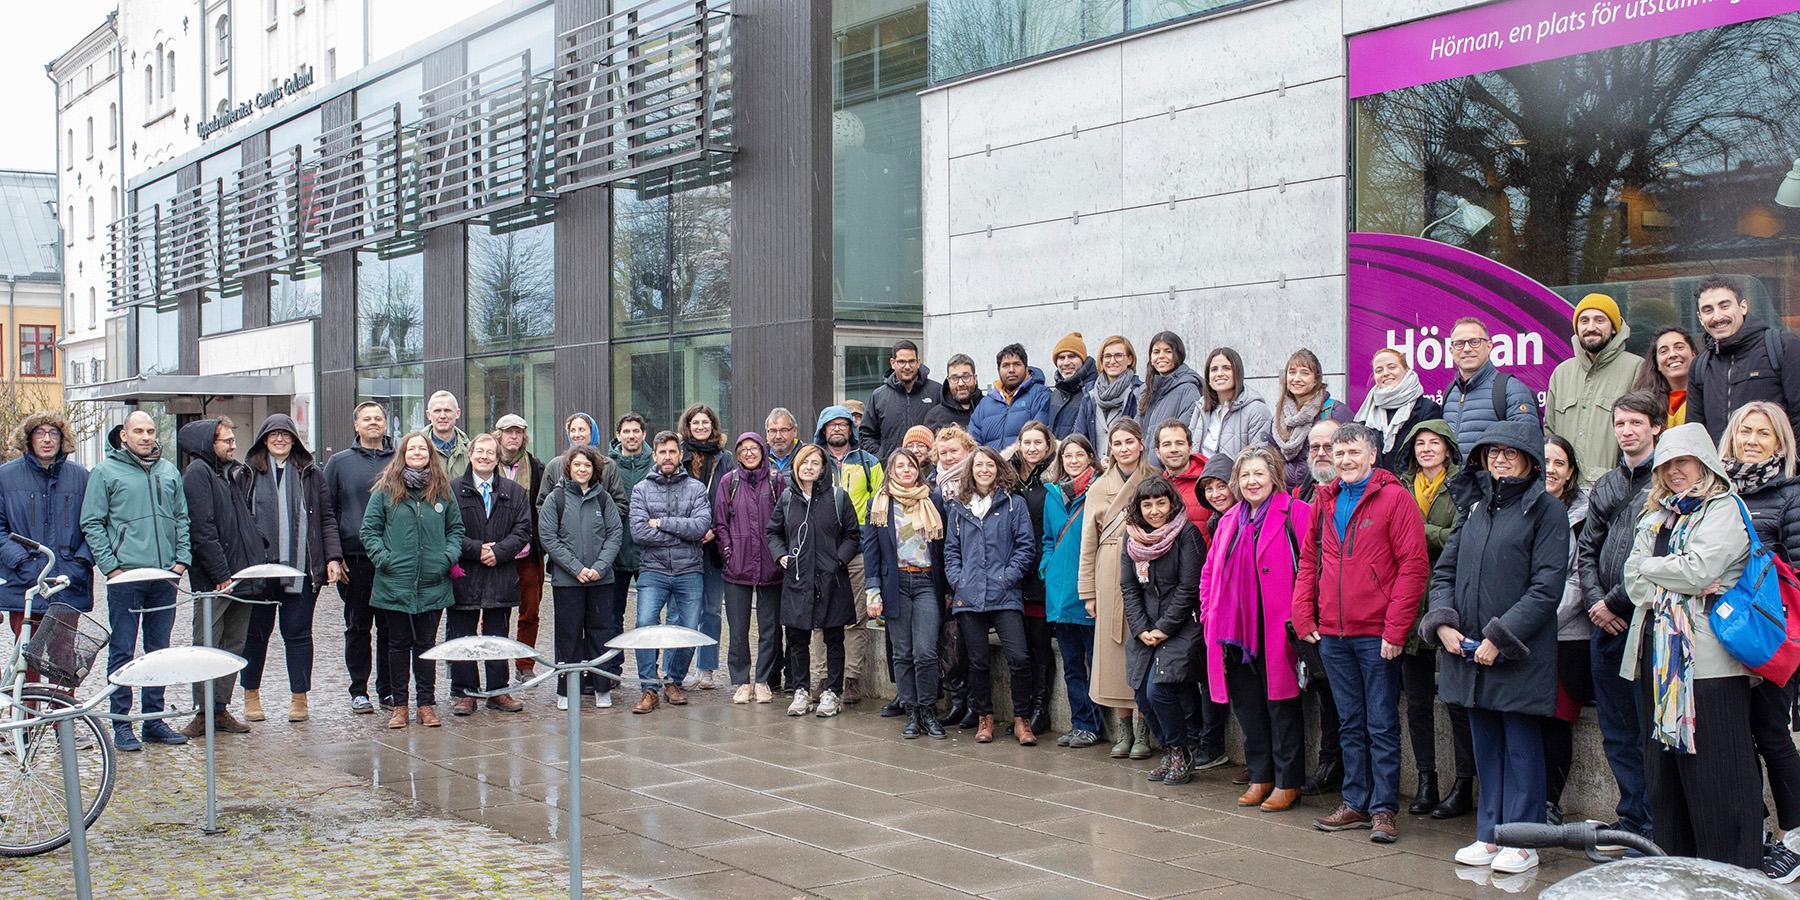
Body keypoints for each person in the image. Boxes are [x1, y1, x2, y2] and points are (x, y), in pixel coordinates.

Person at [1420, 420, 1566, 874]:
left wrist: (1498, 639)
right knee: (1485, 746)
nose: (1500, 460)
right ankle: (1490, 833)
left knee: (1522, 745)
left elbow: (1546, 588)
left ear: (1528, 460)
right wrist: (1443, 625)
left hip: (1516, 655)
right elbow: (1443, 574)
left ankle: (1524, 840)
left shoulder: (1546, 512)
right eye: (1492, 452)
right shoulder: (1476, 508)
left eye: (1510, 452)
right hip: (1467, 653)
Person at [1621, 422, 1760, 868]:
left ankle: (1730, 872)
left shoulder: (1726, 510)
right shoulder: (1657, 513)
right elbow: (1631, 580)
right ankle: (1676, 869)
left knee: (1718, 780)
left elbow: (1700, 569)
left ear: (1704, 462)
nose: (1675, 471)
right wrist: (1676, 576)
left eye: (1683, 461)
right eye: (1667, 464)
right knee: (1666, 782)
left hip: (1711, 669)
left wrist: (1659, 570)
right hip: (1659, 666)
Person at [1293, 423, 1430, 844]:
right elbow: (1309, 560)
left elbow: (1413, 567)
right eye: (1340, 454)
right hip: (1333, 634)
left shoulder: (1395, 499)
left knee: (1382, 723)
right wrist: (1303, 614)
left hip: (1377, 635)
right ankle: (1355, 801)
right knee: (1350, 722)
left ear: (1373, 455)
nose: (1346, 461)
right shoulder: (1325, 499)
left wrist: (1395, 629)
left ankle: (1384, 809)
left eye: (1354, 452)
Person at [1714, 401, 1800, 880]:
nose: (1751, 440)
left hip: (1770, 637)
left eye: (1763, 434)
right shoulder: (1720, 492)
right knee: (1737, 737)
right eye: (1744, 430)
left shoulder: (1790, 494)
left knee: (1771, 733)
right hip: (1724, 638)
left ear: (1780, 443)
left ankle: (1795, 833)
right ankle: (1756, 830)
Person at [1576, 389, 1665, 841]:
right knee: (1616, 731)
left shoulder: (1666, 480)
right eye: (1620, 424)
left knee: (1648, 731)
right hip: (1603, 625)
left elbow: (1656, 557)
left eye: (1635, 423)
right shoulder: (1608, 483)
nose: (1626, 431)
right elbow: (1587, 548)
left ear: (1655, 427)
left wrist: (1615, 602)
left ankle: (1655, 824)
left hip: (1645, 623)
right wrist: (1596, 603)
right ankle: (1631, 818)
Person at [1200, 447, 1309, 810]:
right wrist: (1209, 611)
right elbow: (1210, 571)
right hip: (1235, 631)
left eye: (1259, 474)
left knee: (1282, 707)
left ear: (1274, 476)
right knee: (1248, 707)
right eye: (1245, 476)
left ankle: (1288, 781)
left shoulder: (1296, 512)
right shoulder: (1229, 520)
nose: (1252, 482)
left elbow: (1311, 568)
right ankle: (1260, 775)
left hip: (1278, 628)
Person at [83, 411, 192, 751]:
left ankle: (153, 721)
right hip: (126, 577)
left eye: (150, 431)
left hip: (164, 576)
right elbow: (92, 523)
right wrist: (112, 568)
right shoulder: (105, 472)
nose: (146, 437)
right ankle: (122, 724)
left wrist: (181, 560)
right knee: (123, 651)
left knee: (158, 652)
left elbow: (181, 517)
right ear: (124, 436)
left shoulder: (168, 470)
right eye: (138, 431)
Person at [238, 413, 344, 726]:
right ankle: (251, 696)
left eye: (286, 434)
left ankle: (299, 698)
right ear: (264, 439)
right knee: (255, 635)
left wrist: (332, 558)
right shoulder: (247, 473)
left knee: (298, 634)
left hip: (301, 569)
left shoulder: (311, 473)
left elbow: (326, 518)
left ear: (295, 439)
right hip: (259, 571)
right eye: (274, 435)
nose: (280, 439)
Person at [1396, 420, 1478, 819]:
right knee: (1416, 702)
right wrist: (1430, 533)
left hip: (1449, 598)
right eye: (1420, 443)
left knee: (1456, 699)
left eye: (1434, 443)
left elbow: (1457, 536)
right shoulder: (1400, 486)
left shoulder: (1463, 486)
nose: (1427, 449)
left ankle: (1464, 783)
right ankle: (1426, 779)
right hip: (1410, 601)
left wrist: (1416, 531)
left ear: (1448, 449)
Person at [361, 432, 465, 729]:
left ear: (430, 454)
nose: (417, 452)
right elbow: (369, 531)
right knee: (397, 644)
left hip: (433, 580)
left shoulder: (442, 490)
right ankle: (400, 705)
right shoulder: (385, 489)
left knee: (426, 645)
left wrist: (446, 558)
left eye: (422, 448)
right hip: (394, 581)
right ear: (402, 454)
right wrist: (384, 559)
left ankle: (427, 704)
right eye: (412, 448)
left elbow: (456, 529)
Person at [178, 417, 266, 737]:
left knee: (233, 643)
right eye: (226, 440)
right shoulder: (198, 474)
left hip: (240, 574)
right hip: (216, 579)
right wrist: (220, 574)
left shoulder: (228, 474)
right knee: (207, 644)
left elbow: (240, 523)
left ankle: (220, 708)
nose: (233, 445)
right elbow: (202, 529)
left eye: (232, 439)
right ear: (208, 444)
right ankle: (204, 712)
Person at [945, 446, 1038, 745]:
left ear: (999, 468)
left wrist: (1007, 577)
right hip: (969, 596)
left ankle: (1021, 719)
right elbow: (951, 552)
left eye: (990, 465)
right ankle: (984, 717)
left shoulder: (1014, 504)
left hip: (1005, 593)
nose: (984, 470)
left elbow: (1026, 547)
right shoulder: (958, 507)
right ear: (970, 470)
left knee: (1020, 658)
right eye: (978, 465)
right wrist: (958, 580)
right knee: (978, 660)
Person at [1151, 419, 1228, 768]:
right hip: (1175, 594)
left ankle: (1212, 744)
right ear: (1158, 451)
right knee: (1183, 673)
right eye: (1166, 444)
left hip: (1210, 589)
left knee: (1208, 673)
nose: (1173, 449)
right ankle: (1193, 740)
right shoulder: (1156, 486)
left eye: (1179, 442)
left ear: (1190, 444)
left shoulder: (1207, 481)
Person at [1121, 475, 1207, 784]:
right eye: (1147, 504)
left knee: (1161, 689)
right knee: (1142, 694)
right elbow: (1129, 588)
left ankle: (1182, 751)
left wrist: (1164, 628)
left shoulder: (1187, 534)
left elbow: (1189, 588)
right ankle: (1171, 751)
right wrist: (1142, 627)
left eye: (1160, 503)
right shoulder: (1131, 538)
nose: (1155, 510)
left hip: (1182, 625)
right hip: (1145, 626)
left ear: (1171, 503)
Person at [0, 412, 93, 686]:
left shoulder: (80, 477)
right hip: (25, 583)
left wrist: (78, 565)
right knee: (26, 656)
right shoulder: (6, 477)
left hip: (66, 583)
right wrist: (23, 563)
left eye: (53, 433)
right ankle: (27, 723)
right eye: (40, 432)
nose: (47, 439)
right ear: (28, 438)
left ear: (63, 439)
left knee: (64, 659)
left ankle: (62, 723)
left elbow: (94, 526)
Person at [769, 444, 860, 718]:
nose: (809, 466)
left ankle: (833, 691)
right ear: (797, 466)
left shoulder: (837, 497)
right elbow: (772, 532)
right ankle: (801, 690)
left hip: (831, 579)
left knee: (834, 637)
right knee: (797, 638)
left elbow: (853, 535)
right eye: (804, 461)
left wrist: (839, 560)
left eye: (815, 462)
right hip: (798, 579)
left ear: (823, 468)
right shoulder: (787, 498)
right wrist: (780, 555)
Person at [863, 448, 947, 738]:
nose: (906, 471)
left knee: (926, 651)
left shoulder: (932, 499)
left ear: (918, 469)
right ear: (891, 471)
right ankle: (911, 712)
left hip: (926, 581)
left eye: (911, 466)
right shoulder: (879, 504)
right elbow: (871, 551)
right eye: (900, 466)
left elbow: (944, 548)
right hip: (894, 583)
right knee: (903, 653)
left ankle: (928, 710)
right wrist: (873, 592)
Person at [1080, 419, 1151, 759]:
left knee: (1143, 645)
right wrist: (1088, 592)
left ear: (1140, 443)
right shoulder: (1098, 487)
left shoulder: (1154, 480)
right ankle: (1123, 729)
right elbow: (1087, 542)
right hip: (1108, 572)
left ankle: (1144, 729)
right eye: (1117, 443)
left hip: (1145, 567)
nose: (1123, 449)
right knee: (1113, 651)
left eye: (1129, 442)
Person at [447, 433, 531, 716]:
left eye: (490, 452)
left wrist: (499, 552)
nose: (484, 456)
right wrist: (477, 549)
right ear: (470, 454)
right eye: (479, 451)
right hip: (465, 573)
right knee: (463, 636)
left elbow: (523, 530)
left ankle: (498, 691)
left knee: (497, 635)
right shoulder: (453, 490)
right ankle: (466, 692)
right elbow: (448, 531)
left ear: (497, 458)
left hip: (501, 573)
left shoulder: (514, 491)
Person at [628, 431, 712, 713]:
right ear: (654, 455)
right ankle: (648, 688)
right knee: (645, 626)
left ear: (680, 455)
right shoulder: (641, 489)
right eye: (662, 452)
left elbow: (700, 527)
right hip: (653, 570)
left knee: (687, 629)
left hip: (689, 570)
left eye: (672, 452)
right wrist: (681, 532)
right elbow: (639, 532)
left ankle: (673, 681)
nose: (667, 457)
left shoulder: (696, 488)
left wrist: (661, 522)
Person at [540, 444, 625, 711]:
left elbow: (615, 534)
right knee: (569, 634)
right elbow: (549, 538)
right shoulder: (557, 498)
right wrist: (576, 568)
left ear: (594, 469)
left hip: (601, 580)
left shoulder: (603, 499)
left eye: (587, 465)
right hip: (567, 581)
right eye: (577, 464)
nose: (581, 469)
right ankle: (566, 690)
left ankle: (601, 686)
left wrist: (599, 567)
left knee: (601, 633)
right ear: (569, 467)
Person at [325, 401, 395, 713]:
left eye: (378, 418)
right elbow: (328, 513)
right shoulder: (339, 463)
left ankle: (389, 690)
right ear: (356, 425)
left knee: (391, 628)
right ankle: (359, 690)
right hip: (354, 560)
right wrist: (334, 556)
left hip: (394, 560)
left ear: (385, 423)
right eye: (366, 419)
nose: (373, 423)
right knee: (357, 627)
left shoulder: (400, 460)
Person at [813, 404, 883, 704]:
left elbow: (879, 505)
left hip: (859, 551)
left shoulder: (870, 463)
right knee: (818, 619)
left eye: (843, 424)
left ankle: (851, 678)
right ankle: (822, 676)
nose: (838, 429)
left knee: (856, 618)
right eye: (831, 425)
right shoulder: (813, 461)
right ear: (823, 430)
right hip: (820, 553)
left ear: (852, 429)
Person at [1541, 433, 1593, 825]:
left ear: (1571, 471)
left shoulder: (1583, 516)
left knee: (1557, 722)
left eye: (1560, 463)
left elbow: (1577, 582)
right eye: (1545, 461)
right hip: (1523, 637)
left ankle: (1549, 801)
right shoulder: (1524, 508)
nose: (1551, 470)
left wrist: (1537, 622)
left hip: (1566, 634)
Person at [1293, 418, 1346, 795]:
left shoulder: (1352, 492)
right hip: (1311, 608)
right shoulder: (1302, 494)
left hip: (1347, 609)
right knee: (1324, 691)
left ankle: (1344, 767)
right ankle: (1330, 762)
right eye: (1315, 448)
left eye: (1329, 446)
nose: (1322, 454)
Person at [713, 433, 785, 705]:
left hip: (770, 564)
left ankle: (764, 680)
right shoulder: (728, 482)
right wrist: (728, 553)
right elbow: (720, 523)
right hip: (737, 566)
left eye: (754, 448)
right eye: (743, 449)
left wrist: (779, 556)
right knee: (738, 628)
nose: (749, 453)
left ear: (762, 451)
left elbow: (783, 522)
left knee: (770, 627)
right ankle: (742, 681)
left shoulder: (777, 481)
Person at [1041, 434, 1102, 748]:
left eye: (1080, 455)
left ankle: (1095, 724)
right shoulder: (1052, 494)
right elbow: (1048, 538)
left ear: (1090, 457)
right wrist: (1046, 566)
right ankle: (1081, 722)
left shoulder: (1100, 489)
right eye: (1068, 456)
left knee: (1095, 662)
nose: (1074, 461)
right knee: (1073, 664)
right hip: (1059, 590)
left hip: (1088, 589)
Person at [1546, 294, 1643, 487]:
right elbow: (1550, 432)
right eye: (1584, 321)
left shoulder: (1636, 368)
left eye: (1600, 320)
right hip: (1565, 492)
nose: (1591, 327)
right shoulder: (1561, 373)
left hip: (1612, 490)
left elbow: (1642, 439)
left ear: (1614, 327)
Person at [1690, 275, 1800, 440]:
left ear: (1743, 307)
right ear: (1700, 318)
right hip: (1720, 466)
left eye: (1724, 306)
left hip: (1778, 464)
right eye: (1708, 310)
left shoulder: (1784, 346)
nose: (1717, 317)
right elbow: (1694, 434)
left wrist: (1792, 465)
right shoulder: (1700, 366)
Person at [1007, 421, 1060, 736]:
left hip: (1041, 571)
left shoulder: (1053, 479)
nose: (1031, 448)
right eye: (1026, 442)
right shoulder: (1008, 478)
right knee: (1020, 645)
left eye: (1038, 442)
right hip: (1014, 571)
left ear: (1048, 445)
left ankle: (1041, 709)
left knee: (1040, 644)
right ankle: (1021, 711)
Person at [679, 403, 733, 690]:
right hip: (682, 544)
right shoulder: (678, 455)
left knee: (711, 609)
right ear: (688, 426)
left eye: (706, 422)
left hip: (713, 545)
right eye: (695, 422)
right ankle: (678, 668)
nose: (701, 427)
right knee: (683, 610)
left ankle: (707, 667)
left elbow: (729, 499)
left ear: (714, 426)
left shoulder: (726, 459)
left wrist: (712, 528)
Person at [493, 414, 547, 681]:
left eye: (518, 432)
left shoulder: (536, 466)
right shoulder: (487, 465)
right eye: (508, 432)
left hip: (529, 552)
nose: (513, 437)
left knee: (530, 611)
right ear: (499, 435)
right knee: (495, 612)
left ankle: (525, 663)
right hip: (497, 551)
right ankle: (496, 665)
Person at [932, 423, 977, 724]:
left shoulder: (974, 480)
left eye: (954, 451)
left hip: (971, 565)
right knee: (951, 636)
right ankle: (957, 699)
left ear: (968, 451)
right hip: (946, 566)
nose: (948, 457)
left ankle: (974, 703)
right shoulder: (936, 486)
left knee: (971, 638)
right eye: (943, 452)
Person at [1441, 317, 1541, 451]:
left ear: (1489, 346)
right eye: (1459, 343)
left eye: (1474, 342)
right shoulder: (1450, 392)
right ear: (1451, 351)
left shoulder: (1511, 389)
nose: (1466, 349)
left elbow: (1527, 447)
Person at [1271, 349, 1355, 489]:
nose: (1297, 378)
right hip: (1286, 496)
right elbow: (1272, 460)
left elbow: (1352, 455)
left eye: (1304, 373)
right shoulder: (1279, 417)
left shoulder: (1336, 412)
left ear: (1316, 378)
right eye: (1292, 372)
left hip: (1324, 492)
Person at [1355, 348, 1443, 473]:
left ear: (1406, 370)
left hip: (1411, 488)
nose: (1385, 373)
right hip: (1376, 487)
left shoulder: (1427, 409)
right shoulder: (1368, 410)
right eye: (1379, 370)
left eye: (1391, 367)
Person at [610, 413, 655, 637]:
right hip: (615, 555)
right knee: (612, 615)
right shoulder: (607, 466)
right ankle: (612, 668)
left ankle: (648, 670)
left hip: (648, 555)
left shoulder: (656, 464)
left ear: (644, 434)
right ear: (618, 435)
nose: (631, 435)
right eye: (626, 431)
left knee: (648, 618)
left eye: (636, 431)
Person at [1187, 346, 1273, 463]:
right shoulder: (1201, 408)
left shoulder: (1257, 410)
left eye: (1226, 368)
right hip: (1200, 479)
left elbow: (1260, 460)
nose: (1219, 374)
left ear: (1237, 373)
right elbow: (1190, 450)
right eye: (1214, 369)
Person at [862, 340, 943, 460]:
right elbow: (867, 434)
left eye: (911, 361)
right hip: (891, 470)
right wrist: (881, 457)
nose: (907, 366)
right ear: (892, 363)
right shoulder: (879, 396)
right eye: (901, 362)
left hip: (929, 471)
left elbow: (945, 430)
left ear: (918, 362)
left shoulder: (936, 391)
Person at [969, 343, 1052, 449]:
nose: (1011, 370)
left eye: (1017, 364)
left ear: (1026, 368)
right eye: (1005, 365)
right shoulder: (985, 403)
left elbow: (1039, 439)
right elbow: (973, 442)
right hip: (991, 465)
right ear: (998, 370)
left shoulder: (1041, 396)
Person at [1072, 335, 1141, 454]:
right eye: (1107, 356)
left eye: (1118, 355)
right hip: (1096, 470)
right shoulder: (1090, 395)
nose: (1112, 361)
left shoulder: (1138, 393)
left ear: (1130, 359)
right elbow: (1079, 438)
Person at [1138, 332, 1205, 449]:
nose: (1161, 356)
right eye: (1156, 352)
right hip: (1143, 466)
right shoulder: (1145, 390)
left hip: (1169, 464)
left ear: (1178, 355)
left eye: (1168, 351)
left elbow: (1183, 434)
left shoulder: (1188, 389)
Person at [1631, 326, 1697, 428]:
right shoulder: (1647, 405)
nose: (1672, 354)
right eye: (1663, 351)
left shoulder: (1709, 395)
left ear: (1694, 354)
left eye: (1679, 347)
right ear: (1657, 364)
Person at [1045, 332, 1098, 439]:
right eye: (1061, 358)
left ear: (1082, 360)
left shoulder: (1094, 391)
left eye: (1072, 356)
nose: (1066, 362)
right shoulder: (1055, 393)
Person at [924, 354, 980, 432]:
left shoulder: (989, 409)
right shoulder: (935, 416)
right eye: (954, 378)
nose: (961, 383)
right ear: (948, 381)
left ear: (975, 378)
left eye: (966, 377)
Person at [425, 390, 472, 479]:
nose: (442, 416)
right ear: (428, 415)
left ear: (458, 413)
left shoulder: (470, 450)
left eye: (447, 410)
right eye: (437, 411)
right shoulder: (416, 451)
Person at [765, 407, 802, 473]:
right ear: (767, 434)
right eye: (773, 431)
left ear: (795, 431)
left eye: (784, 430)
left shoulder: (807, 456)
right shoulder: (759, 459)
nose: (778, 436)